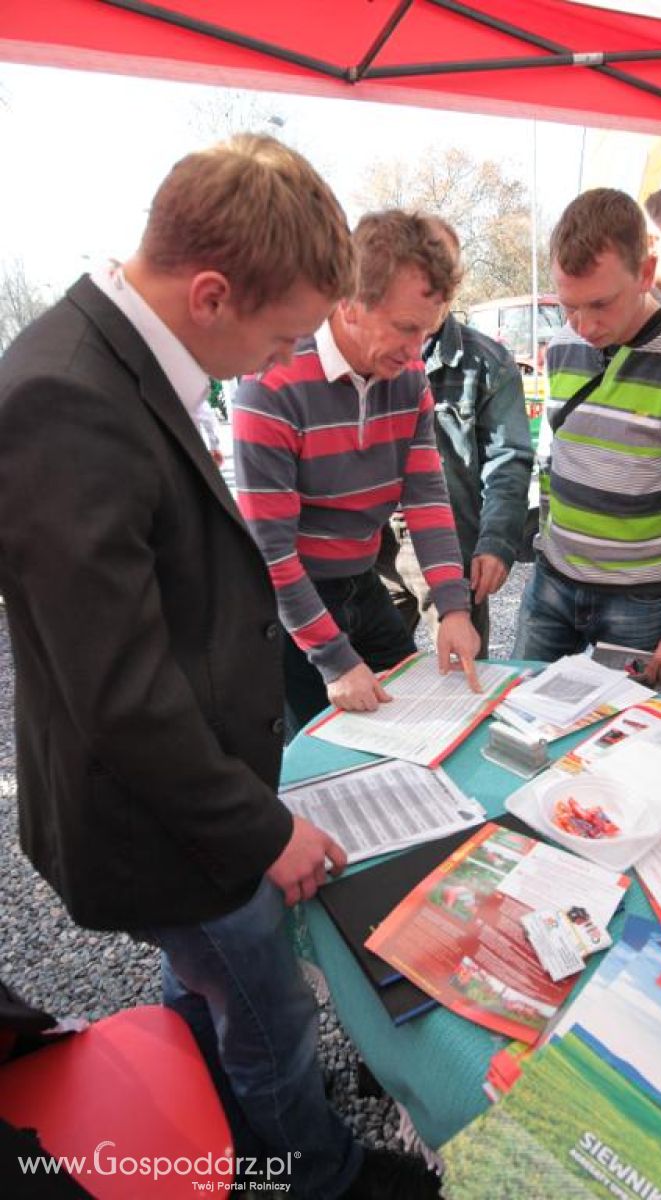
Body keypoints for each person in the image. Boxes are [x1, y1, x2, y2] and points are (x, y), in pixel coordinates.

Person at [0, 135, 438, 1199]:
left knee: (211, 988)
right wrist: (265, 829)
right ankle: (310, 1173)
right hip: (164, 818)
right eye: (281, 333)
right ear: (208, 294)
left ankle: (217, 1097)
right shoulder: (64, 397)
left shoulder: (111, 358)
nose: (278, 360)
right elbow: (120, 693)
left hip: (189, 797)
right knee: (271, 1006)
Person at [234, 209, 481, 737]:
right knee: (324, 749)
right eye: (405, 329)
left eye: (428, 331)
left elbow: (426, 498)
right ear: (347, 302)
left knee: (416, 721)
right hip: (286, 603)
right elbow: (269, 550)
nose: (418, 352)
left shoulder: (409, 377)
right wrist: (333, 659)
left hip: (360, 581)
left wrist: (453, 607)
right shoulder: (270, 384)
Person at [513, 188, 661, 688]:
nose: (583, 325)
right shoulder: (565, 346)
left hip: (640, 603)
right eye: (568, 306)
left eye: (600, 303)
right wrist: (545, 547)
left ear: (645, 273)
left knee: (618, 752)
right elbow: (557, 458)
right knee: (518, 717)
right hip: (551, 584)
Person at [377, 218, 532, 657]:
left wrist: (497, 541)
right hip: (375, 551)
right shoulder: (369, 354)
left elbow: (510, 460)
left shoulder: (488, 363)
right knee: (376, 673)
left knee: (467, 668)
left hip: (451, 549)